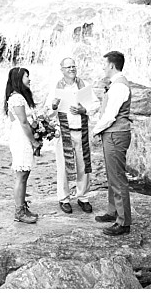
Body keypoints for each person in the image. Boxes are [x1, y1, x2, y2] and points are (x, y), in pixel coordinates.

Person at [48, 57, 98, 214]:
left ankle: (82, 197)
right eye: (68, 67)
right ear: (61, 70)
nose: (72, 69)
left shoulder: (84, 87)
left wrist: (84, 110)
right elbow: (47, 113)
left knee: (83, 165)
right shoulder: (56, 88)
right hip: (64, 132)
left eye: (73, 66)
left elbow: (95, 105)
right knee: (63, 166)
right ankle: (64, 198)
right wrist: (54, 106)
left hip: (81, 131)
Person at [92, 51, 133, 236]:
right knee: (112, 175)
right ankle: (113, 211)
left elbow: (110, 116)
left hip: (116, 134)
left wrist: (94, 131)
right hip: (113, 134)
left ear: (111, 65)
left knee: (117, 177)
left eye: (104, 64)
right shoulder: (116, 84)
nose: (102, 67)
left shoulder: (119, 86)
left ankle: (123, 222)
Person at [4, 67, 42, 224]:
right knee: (21, 175)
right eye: (27, 76)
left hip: (23, 136)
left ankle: (22, 206)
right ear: (19, 79)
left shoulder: (20, 96)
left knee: (25, 173)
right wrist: (34, 141)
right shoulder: (17, 98)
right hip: (21, 138)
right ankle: (19, 211)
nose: (29, 79)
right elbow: (23, 122)